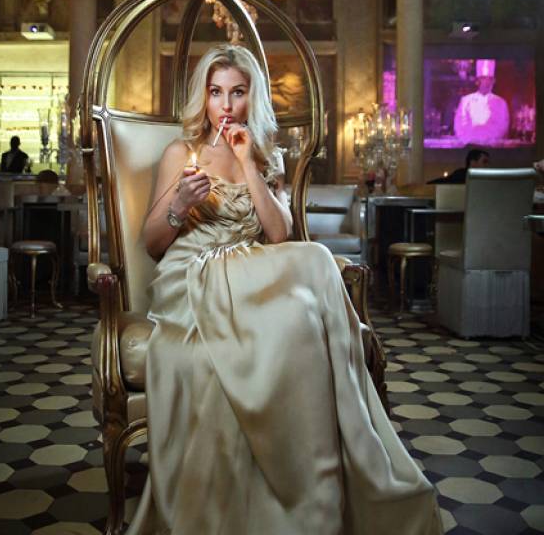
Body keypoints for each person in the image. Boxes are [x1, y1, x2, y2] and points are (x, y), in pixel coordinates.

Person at [126, 44, 442, 535]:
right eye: (215, 92)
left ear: (252, 96)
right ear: (203, 98)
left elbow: (278, 235)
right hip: (195, 272)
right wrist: (179, 205)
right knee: (309, 269)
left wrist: (248, 162)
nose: (225, 105)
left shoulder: (264, 154)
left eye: (237, 92)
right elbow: (151, 245)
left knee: (312, 261)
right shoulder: (179, 153)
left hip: (251, 266)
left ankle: (311, 482)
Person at [454, 59, 510, 145]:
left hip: (492, 146)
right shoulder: (466, 100)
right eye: (483, 78)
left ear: (493, 81)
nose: (487, 82)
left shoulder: (501, 103)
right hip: (470, 145)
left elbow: (502, 127)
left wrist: (489, 141)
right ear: (478, 81)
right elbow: (459, 126)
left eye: (490, 79)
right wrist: (470, 141)